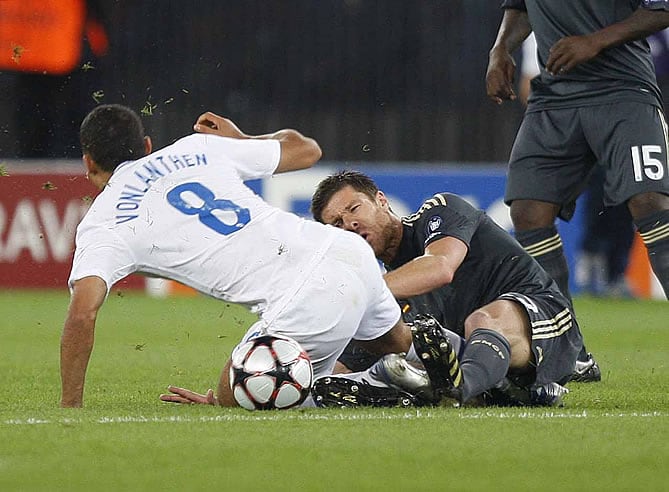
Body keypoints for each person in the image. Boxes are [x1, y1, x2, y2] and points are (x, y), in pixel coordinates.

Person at [60, 105, 421, 409]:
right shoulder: (196, 148)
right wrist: (241, 139)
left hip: (308, 297)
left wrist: (70, 406)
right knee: (402, 349)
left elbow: (83, 313)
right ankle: (436, 375)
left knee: (236, 390)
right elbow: (307, 150)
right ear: (147, 145)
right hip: (346, 249)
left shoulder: (103, 224)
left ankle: (371, 383)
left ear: (88, 163)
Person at [309, 170, 584, 408]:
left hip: (544, 319)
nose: (350, 224)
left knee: (482, 320)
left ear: (381, 200)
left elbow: (440, 268)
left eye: (354, 209)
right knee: (403, 346)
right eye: (337, 225)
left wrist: (357, 295)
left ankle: (459, 392)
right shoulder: (390, 290)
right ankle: (502, 390)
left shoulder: (439, 211)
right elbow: (342, 363)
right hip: (482, 356)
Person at [485, 1, 669, 309]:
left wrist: (596, 41)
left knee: (649, 200)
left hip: (622, 90)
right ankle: (564, 346)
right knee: (528, 211)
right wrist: (500, 49)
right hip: (553, 97)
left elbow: (661, 8)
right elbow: (520, 7)